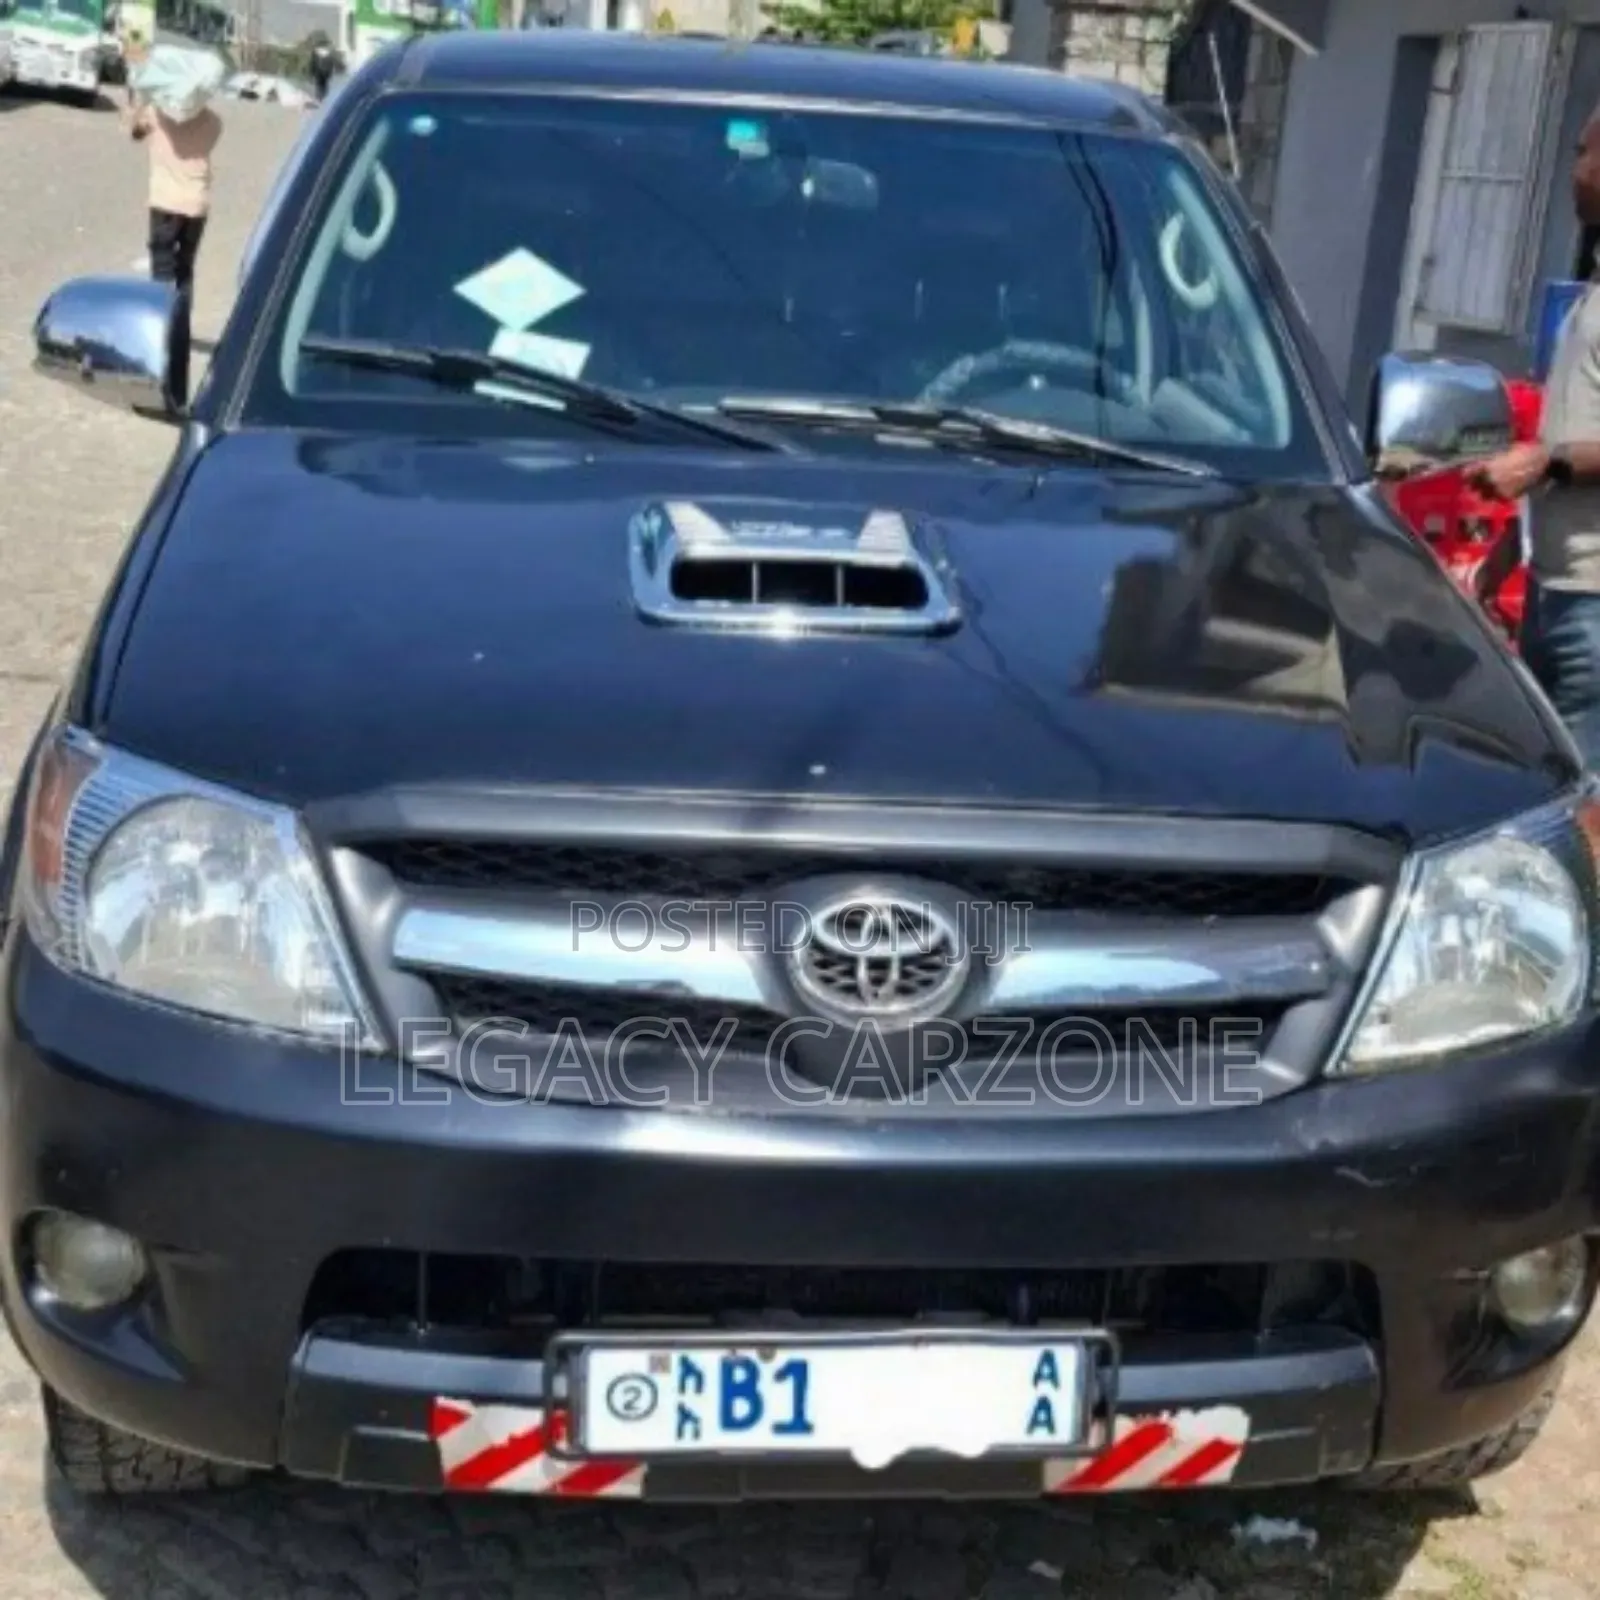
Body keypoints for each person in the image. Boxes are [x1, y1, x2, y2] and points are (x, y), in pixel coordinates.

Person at [1472, 106, 1600, 765]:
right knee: (1544, 788)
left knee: (1580, 802)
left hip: (1593, 609)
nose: (1573, 171)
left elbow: (1555, 452)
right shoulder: (1592, 291)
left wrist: (1545, 463)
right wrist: (1504, 556)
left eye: (1584, 153)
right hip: (1556, 590)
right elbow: (1571, 424)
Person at [122, 84, 222, 409]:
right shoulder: (213, 122)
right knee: (184, 281)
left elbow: (135, 132)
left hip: (165, 205)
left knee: (160, 290)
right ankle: (179, 387)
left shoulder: (155, 115)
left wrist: (137, 102)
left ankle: (157, 380)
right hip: (196, 207)